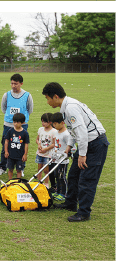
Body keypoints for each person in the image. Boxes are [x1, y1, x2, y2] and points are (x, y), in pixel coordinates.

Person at [42, 82, 109, 222]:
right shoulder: (65, 108)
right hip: (86, 143)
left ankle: (84, 213)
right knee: (73, 175)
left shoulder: (71, 108)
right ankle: (70, 203)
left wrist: (82, 155)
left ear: (55, 96)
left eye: (48, 98)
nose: (47, 102)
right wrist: (69, 146)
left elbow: (82, 133)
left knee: (86, 180)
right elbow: (73, 130)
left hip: (95, 144)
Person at [0, 74, 33, 175]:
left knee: (20, 146)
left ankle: (21, 168)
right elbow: (4, 108)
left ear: (21, 84)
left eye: (15, 84)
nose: (13, 86)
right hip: (8, 124)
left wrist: (21, 120)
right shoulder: (6, 95)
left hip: (22, 125)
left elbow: (30, 110)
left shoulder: (27, 95)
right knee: (5, 145)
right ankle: (2, 167)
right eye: (12, 83)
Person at [47, 112, 73, 202]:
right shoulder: (57, 132)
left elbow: (72, 146)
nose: (54, 126)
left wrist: (69, 153)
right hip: (56, 159)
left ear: (62, 122)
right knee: (56, 175)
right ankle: (58, 191)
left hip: (63, 160)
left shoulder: (66, 134)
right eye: (53, 124)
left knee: (62, 176)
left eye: (55, 124)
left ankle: (64, 193)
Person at [4, 113, 29, 180]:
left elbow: (26, 144)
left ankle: (18, 183)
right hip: (10, 155)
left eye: (17, 122)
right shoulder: (10, 131)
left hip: (20, 156)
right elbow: (6, 141)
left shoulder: (25, 133)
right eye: (14, 122)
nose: (15, 124)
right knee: (10, 169)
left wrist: (25, 154)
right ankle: (10, 181)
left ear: (22, 123)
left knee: (19, 170)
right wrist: (6, 151)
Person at [35, 113, 56, 186]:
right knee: (39, 169)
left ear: (50, 122)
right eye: (42, 121)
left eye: (44, 122)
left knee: (46, 170)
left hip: (48, 154)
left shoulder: (54, 131)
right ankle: (39, 182)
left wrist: (46, 149)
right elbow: (37, 139)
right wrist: (39, 145)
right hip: (40, 153)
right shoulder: (40, 129)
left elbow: (54, 144)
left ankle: (46, 183)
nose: (42, 123)